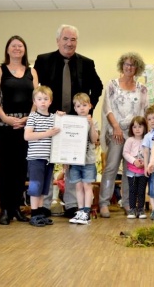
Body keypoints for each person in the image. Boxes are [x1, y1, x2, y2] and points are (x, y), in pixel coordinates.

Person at [34, 24, 103, 218]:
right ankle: (45, 205)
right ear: (58, 41)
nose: (69, 43)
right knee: (48, 161)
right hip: (50, 119)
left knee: (74, 162)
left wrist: (88, 109)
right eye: (65, 39)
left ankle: (73, 205)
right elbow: (35, 88)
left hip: (75, 122)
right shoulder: (43, 60)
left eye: (73, 39)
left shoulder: (86, 63)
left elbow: (97, 87)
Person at [0, 35, 38, 225]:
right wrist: (6, 118)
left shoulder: (32, 72)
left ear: (24, 50)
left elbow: (37, 98)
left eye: (20, 46)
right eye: (13, 46)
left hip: (26, 125)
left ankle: (17, 207)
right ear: (7, 50)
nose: (17, 49)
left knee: (21, 167)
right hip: (5, 124)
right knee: (7, 167)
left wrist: (28, 118)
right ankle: (5, 209)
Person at [99, 52, 148, 218]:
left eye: (132, 65)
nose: (129, 67)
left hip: (135, 136)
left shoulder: (142, 89)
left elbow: (145, 111)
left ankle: (128, 202)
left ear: (137, 68)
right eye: (126, 64)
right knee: (111, 167)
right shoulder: (112, 85)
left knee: (131, 169)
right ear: (122, 66)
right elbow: (107, 108)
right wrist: (116, 127)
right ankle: (104, 202)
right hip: (116, 134)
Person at [24, 86, 61, 227]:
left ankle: (39, 213)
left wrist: (62, 117)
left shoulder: (53, 118)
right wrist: (47, 133)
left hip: (48, 159)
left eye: (46, 99)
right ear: (34, 101)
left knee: (44, 188)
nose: (43, 102)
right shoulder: (33, 116)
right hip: (35, 158)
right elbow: (27, 136)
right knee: (35, 187)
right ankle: (34, 214)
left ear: (50, 101)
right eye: (39, 99)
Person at [68, 93, 98, 225]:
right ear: (74, 108)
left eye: (84, 105)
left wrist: (91, 125)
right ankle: (80, 210)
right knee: (78, 185)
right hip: (75, 160)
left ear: (90, 106)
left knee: (87, 185)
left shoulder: (93, 121)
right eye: (78, 106)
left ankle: (87, 211)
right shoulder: (72, 122)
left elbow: (94, 139)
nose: (81, 108)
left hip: (88, 160)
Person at [123, 116, 148, 219]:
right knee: (132, 190)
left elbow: (149, 153)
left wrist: (145, 163)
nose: (137, 129)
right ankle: (132, 209)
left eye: (140, 126)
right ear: (131, 129)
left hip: (143, 171)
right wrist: (134, 161)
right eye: (134, 127)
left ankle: (141, 209)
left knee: (141, 190)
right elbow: (125, 153)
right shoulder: (130, 140)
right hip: (132, 171)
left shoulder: (147, 139)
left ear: (145, 127)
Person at [143, 105, 154, 220]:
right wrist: (146, 166)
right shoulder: (148, 136)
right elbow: (146, 152)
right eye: (149, 119)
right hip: (152, 166)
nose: (152, 121)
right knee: (153, 188)